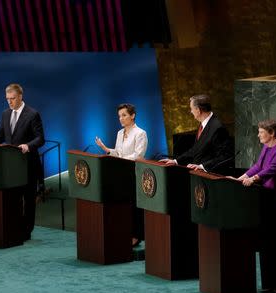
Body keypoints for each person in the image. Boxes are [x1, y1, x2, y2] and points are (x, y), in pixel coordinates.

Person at [237, 119, 276, 293]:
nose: (258, 135)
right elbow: (258, 166)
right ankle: (271, 284)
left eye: (261, 132)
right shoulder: (267, 146)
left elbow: (271, 169)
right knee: (268, 242)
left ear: (272, 133)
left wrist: (253, 179)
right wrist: (241, 177)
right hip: (269, 199)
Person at [0, 83, 45, 241]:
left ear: (20, 96)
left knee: (28, 199)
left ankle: (27, 230)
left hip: (27, 164)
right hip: (11, 166)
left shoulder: (33, 114)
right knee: (13, 198)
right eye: (7, 99)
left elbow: (40, 138)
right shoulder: (5, 114)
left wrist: (28, 145)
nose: (10, 102)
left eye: (12, 98)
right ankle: (15, 226)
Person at [95, 103, 148, 247]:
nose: (121, 118)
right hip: (120, 173)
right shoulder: (120, 133)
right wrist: (105, 149)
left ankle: (136, 235)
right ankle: (124, 232)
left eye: (124, 115)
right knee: (122, 204)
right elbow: (119, 153)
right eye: (119, 116)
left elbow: (138, 155)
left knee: (134, 204)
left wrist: (121, 159)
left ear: (133, 116)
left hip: (133, 173)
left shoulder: (140, 133)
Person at [160, 94, 232, 173]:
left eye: (191, 109)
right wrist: (176, 161)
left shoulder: (218, 128)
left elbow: (225, 156)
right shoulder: (203, 124)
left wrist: (203, 166)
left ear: (198, 110)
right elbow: (195, 149)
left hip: (211, 176)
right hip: (198, 174)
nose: (191, 111)